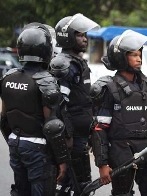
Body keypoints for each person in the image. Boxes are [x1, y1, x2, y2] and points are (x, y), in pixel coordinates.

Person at [90, 29, 147, 196]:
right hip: (121, 153)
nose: (139, 58)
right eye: (133, 54)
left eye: (140, 54)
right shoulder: (109, 88)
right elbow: (100, 128)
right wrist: (102, 164)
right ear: (121, 57)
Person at [0, 23, 69, 196]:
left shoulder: (8, 77)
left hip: (16, 143)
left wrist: (16, 142)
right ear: (46, 50)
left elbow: (3, 119)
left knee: (21, 191)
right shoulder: (46, 81)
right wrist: (62, 160)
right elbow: (52, 127)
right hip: (38, 148)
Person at [49, 13, 100, 195]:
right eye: (80, 35)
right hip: (71, 139)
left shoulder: (78, 63)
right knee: (73, 186)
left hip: (81, 135)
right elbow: (59, 105)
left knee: (82, 184)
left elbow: (83, 100)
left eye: (85, 35)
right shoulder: (64, 65)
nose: (84, 39)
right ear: (67, 36)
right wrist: (67, 136)